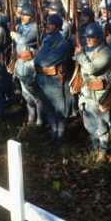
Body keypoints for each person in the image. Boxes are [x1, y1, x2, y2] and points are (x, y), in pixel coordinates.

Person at [74, 23, 111, 160]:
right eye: (87, 37)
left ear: (100, 38)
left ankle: (103, 151)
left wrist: (80, 56)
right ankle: (94, 147)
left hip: (100, 94)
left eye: (92, 37)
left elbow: (92, 69)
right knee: (89, 124)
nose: (88, 39)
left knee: (102, 124)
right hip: (86, 92)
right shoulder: (85, 50)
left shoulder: (105, 52)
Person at [34, 14, 71, 142]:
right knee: (48, 109)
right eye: (47, 23)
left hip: (56, 80)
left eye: (50, 24)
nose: (47, 26)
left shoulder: (61, 43)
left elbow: (44, 61)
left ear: (57, 27)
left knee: (59, 111)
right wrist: (38, 58)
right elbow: (39, 59)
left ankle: (60, 137)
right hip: (44, 79)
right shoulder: (46, 40)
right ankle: (53, 134)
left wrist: (38, 57)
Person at [11, 4, 42, 126]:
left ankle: (40, 120)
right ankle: (31, 117)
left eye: (26, 15)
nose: (23, 17)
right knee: (26, 95)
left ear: (32, 17)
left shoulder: (35, 28)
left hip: (29, 66)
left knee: (35, 95)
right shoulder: (21, 28)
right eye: (22, 15)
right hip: (20, 65)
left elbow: (24, 40)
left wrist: (15, 35)